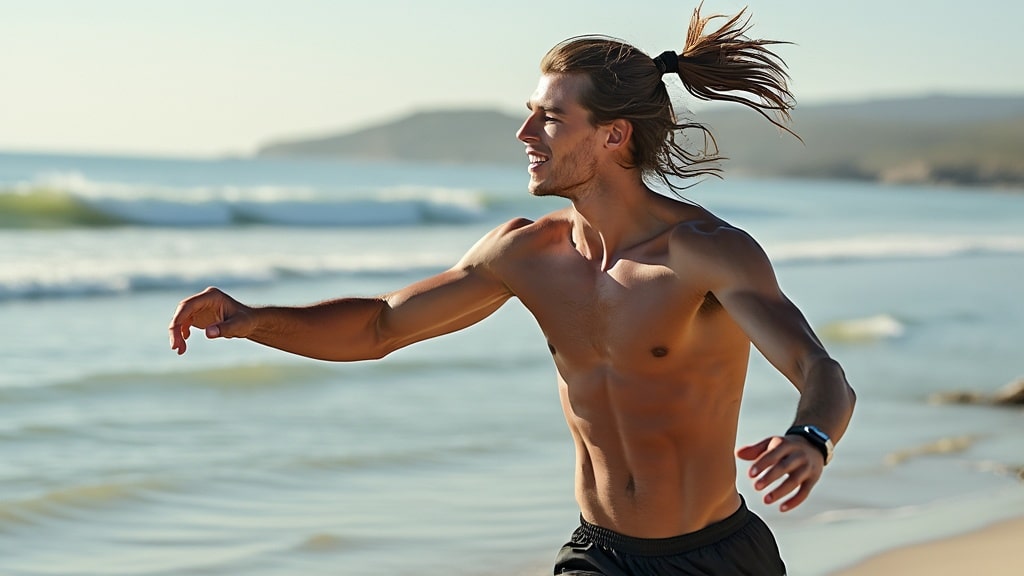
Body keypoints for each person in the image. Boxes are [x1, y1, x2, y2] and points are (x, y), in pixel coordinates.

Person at [168, 5, 855, 575]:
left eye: (550, 118)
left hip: (713, 558)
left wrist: (812, 435)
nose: (525, 133)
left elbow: (819, 369)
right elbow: (380, 327)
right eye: (530, 112)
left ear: (614, 135)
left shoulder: (705, 255)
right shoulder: (526, 253)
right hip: (599, 555)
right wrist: (253, 318)